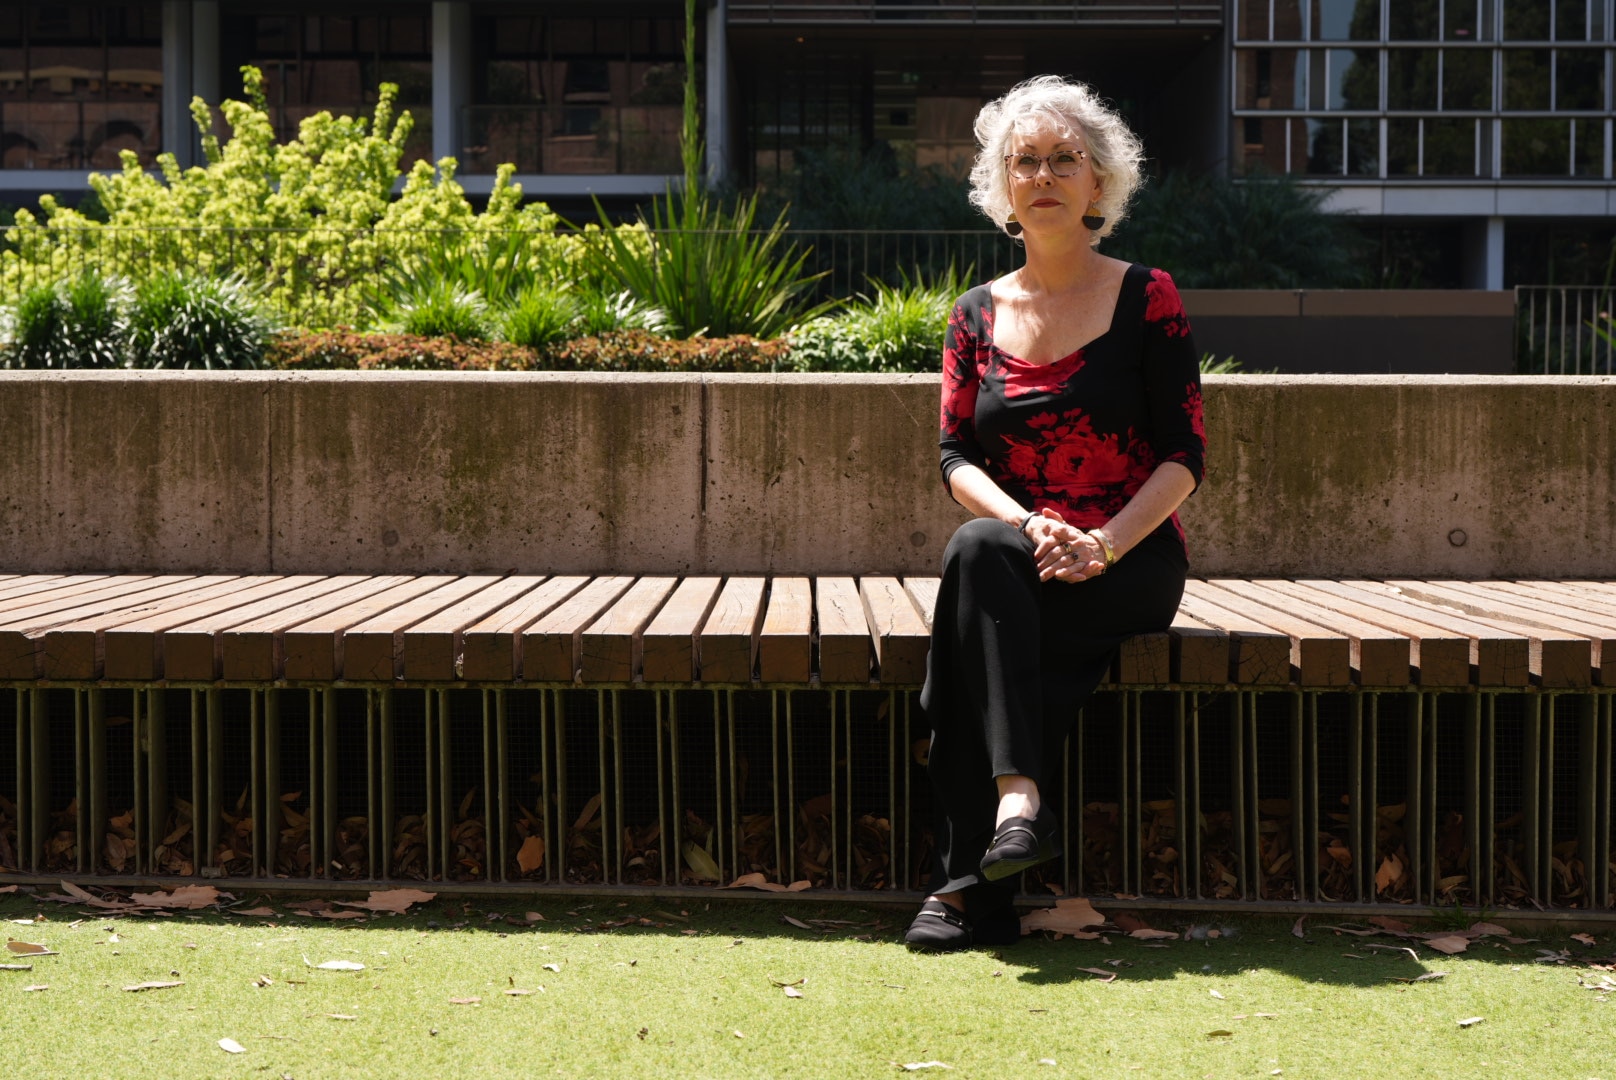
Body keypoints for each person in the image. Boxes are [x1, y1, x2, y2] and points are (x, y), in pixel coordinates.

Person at [905, 75, 1206, 951]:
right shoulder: (972, 315)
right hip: (1021, 556)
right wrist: (1034, 523)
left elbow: (1185, 456)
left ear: (1099, 183)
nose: (1043, 175)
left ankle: (966, 888)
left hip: (1130, 560)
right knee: (981, 547)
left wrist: (1103, 546)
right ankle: (1016, 809)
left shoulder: (1149, 296)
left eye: (1063, 160)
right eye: (1024, 162)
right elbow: (955, 457)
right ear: (1002, 188)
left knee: (974, 625)